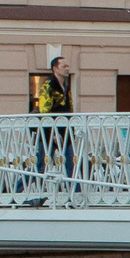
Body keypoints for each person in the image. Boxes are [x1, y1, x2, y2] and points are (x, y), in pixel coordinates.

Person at [32, 55, 75, 191]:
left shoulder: (66, 87)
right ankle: (15, 191)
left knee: (71, 164)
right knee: (40, 166)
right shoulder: (48, 86)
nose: (67, 69)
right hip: (48, 134)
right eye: (64, 66)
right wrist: (53, 133)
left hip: (65, 132)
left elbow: (70, 111)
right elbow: (45, 113)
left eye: (68, 66)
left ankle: (74, 193)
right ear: (55, 69)